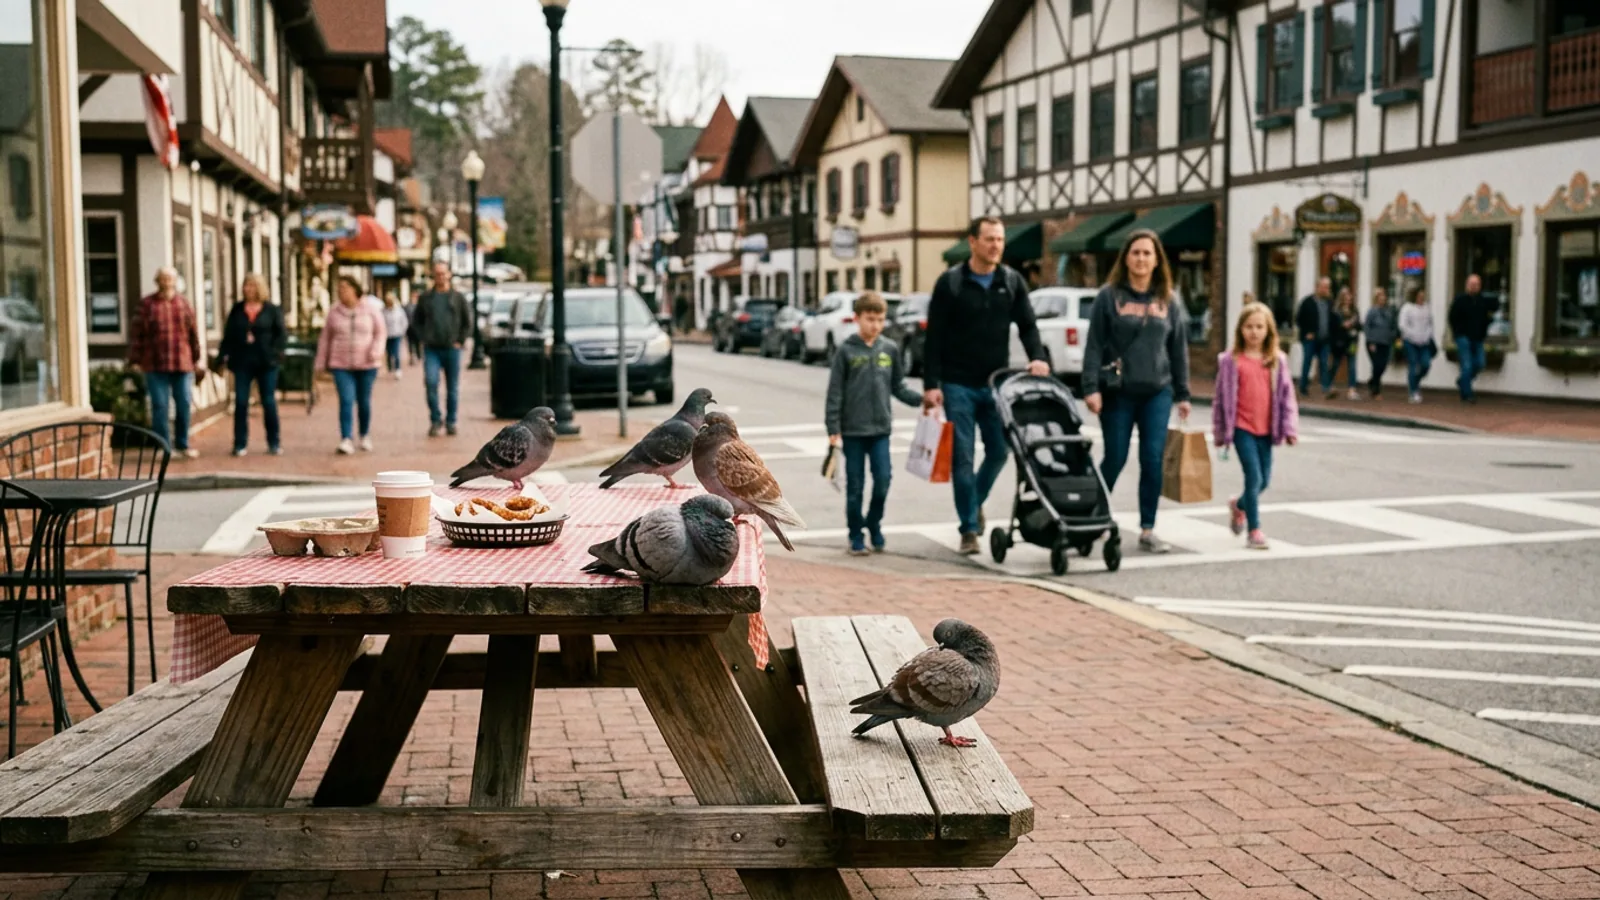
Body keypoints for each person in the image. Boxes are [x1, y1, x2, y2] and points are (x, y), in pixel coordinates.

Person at [921, 217, 1050, 556]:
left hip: (997, 384)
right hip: (957, 383)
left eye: (1000, 240)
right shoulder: (951, 283)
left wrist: (1037, 357)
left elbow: (1028, 325)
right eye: (989, 239)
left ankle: (973, 502)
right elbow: (933, 338)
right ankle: (968, 528)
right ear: (973, 242)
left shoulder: (1011, 281)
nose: (996, 245)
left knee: (999, 451)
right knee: (963, 457)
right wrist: (931, 384)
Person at [1080, 229, 1192, 554]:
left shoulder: (1169, 300)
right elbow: (1095, 344)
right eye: (1135, 253)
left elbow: (1178, 349)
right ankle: (1093, 517)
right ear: (1126, 258)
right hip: (1118, 392)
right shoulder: (1109, 296)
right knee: (1114, 457)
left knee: (1153, 460)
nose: (1141, 259)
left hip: (1157, 392)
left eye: (1147, 253)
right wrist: (1091, 387)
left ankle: (1147, 529)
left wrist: (1183, 394)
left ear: (1157, 260)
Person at [826, 292, 923, 556]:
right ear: (857, 319)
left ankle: (874, 523)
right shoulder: (846, 351)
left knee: (883, 479)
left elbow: (899, 386)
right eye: (870, 319)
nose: (875, 325)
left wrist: (922, 400)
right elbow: (835, 393)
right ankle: (856, 534)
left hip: (880, 429)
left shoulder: (889, 349)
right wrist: (832, 429)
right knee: (855, 486)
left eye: (880, 320)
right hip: (853, 431)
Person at [1212, 303, 1298, 551]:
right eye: (1249, 326)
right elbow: (1220, 399)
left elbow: (1287, 397)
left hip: (1267, 429)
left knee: (1264, 482)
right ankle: (1255, 530)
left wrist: (1290, 428)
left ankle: (1239, 505)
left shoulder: (1277, 361)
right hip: (1241, 428)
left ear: (1268, 330)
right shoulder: (1231, 361)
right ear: (1240, 330)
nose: (1254, 332)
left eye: (1259, 326)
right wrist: (1220, 432)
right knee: (1254, 476)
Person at [128, 267, 203, 458]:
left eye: (170, 278)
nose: (167, 282)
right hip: (154, 363)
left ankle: (183, 444)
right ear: (157, 281)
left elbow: (193, 333)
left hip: (182, 362)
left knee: (184, 402)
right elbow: (137, 334)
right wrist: (135, 360)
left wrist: (197, 358)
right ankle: (163, 447)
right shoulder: (147, 305)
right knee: (159, 405)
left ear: (176, 281)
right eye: (163, 278)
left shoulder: (184, 304)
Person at [215, 273, 286, 456]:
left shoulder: (271, 310)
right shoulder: (237, 309)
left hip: (266, 362)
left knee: (268, 401)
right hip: (242, 361)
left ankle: (274, 442)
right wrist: (221, 357)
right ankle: (240, 443)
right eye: (246, 285)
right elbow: (228, 335)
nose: (248, 289)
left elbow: (281, 335)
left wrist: (275, 353)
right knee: (240, 401)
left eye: (252, 286)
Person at [314, 275, 386, 454]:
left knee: (364, 401)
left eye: (345, 288)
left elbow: (380, 332)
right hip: (341, 363)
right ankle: (346, 438)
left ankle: (364, 434)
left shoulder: (370, 309)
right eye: (339, 288)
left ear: (355, 289)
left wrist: (376, 351)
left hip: (367, 364)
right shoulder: (334, 311)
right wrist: (321, 362)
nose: (342, 291)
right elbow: (326, 338)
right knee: (346, 400)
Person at [413, 261, 472, 436]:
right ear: (433, 276)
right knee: (431, 383)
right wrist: (423, 337)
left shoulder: (458, 298)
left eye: (443, 273)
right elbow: (416, 322)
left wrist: (460, 340)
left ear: (449, 274)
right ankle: (435, 420)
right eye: (437, 273)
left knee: (452, 387)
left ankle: (451, 421)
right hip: (432, 349)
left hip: (452, 349)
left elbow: (467, 322)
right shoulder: (426, 298)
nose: (440, 276)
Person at [1449, 274, 1493, 404]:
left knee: (1480, 363)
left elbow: (1486, 319)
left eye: (1477, 284)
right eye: (1472, 284)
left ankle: (1463, 381)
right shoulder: (1460, 300)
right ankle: (1467, 394)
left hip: (1477, 337)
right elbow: (1452, 317)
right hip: (1463, 337)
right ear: (1467, 285)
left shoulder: (1481, 301)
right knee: (1467, 365)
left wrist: (1483, 332)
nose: (1474, 287)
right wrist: (1457, 333)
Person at [1294, 277, 1334, 397]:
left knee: (1324, 363)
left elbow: (1332, 319)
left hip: (1325, 339)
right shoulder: (1307, 302)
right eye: (1324, 287)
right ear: (1318, 287)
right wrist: (1307, 332)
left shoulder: (1329, 303)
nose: (1326, 290)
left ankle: (1325, 388)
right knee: (1307, 362)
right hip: (1310, 339)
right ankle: (1303, 387)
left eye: (1328, 287)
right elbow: (1298, 319)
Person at [1399, 288, 1436, 404]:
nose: (1421, 298)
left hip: (1424, 342)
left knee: (1426, 364)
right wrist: (1412, 335)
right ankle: (1413, 391)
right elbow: (1402, 325)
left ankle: (1415, 382)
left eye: (1423, 296)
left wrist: (1428, 335)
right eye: (1419, 296)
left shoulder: (1426, 308)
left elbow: (1430, 324)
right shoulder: (1407, 308)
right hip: (1410, 341)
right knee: (1413, 364)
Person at [1363, 288, 1398, 399]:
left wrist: (1392, 335)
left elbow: (1393, 325)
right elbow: (1367, 326)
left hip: (1386, 342)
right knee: (1377, 364)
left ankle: (1372, 381)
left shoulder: (1389, 312)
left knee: (1383, 365)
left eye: (1384, 298)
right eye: (1380, 298)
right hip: (1374, 343)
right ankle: (1376, 390)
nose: (1382, 300)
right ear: (1376, 299)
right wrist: (1371, 341)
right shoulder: (1372, 311)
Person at [1329, 287, 1362, 401]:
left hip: (1352, 342)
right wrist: (1344, 325)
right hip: (1340, 342)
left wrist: (1354, 324)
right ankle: (1329, 385)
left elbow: (1359, 326)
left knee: (1352, 365)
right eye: (1346, 299)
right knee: (1336, 364)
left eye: (1350, 299)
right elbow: (1335, 326)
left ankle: (1352, 389)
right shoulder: (1336, 311)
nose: (1348, 301)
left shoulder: (1355, 311)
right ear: (1342, 299)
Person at [382, 292, 408, 381]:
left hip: (397, 334)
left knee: (396, 353)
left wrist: (402, 332)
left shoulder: (398, 310)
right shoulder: (383, 311)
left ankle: (398, 369)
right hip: (387, 335)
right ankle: (390, 367)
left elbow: (404, 321)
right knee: (389, 353)